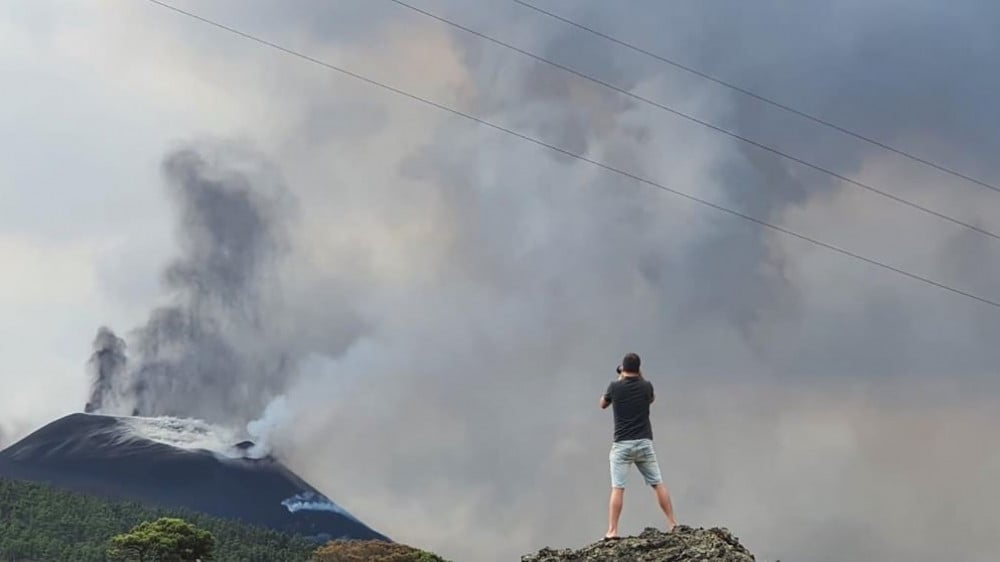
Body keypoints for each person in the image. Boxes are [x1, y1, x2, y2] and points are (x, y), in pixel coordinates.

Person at [600, 352, 677, 539]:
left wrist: (620, 378)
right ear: (638, 369)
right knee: (657, 483)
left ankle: (613, 531)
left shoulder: (615, 387)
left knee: (618, 488)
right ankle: (673, 523)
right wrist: (639, 376)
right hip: (644, 442)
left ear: (623, 368)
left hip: (622, 444)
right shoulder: (646, 386)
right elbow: (650, 399)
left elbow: (603, 404)